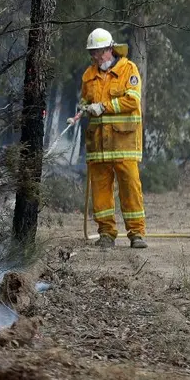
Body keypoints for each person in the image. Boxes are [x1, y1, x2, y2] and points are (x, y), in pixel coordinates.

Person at [78, 27, 146, 249]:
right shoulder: (88, 75)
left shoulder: (129, 69)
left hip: (123, 143)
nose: (96, 58)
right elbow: (84, 101)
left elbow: (132, 101)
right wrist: (82, 110)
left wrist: (103, 106)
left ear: (110, 49)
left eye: (99, 52)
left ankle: (136, 234)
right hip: (98, 146)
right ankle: (106, 233)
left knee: (130, 188)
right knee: (101, 190)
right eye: (93, 53)